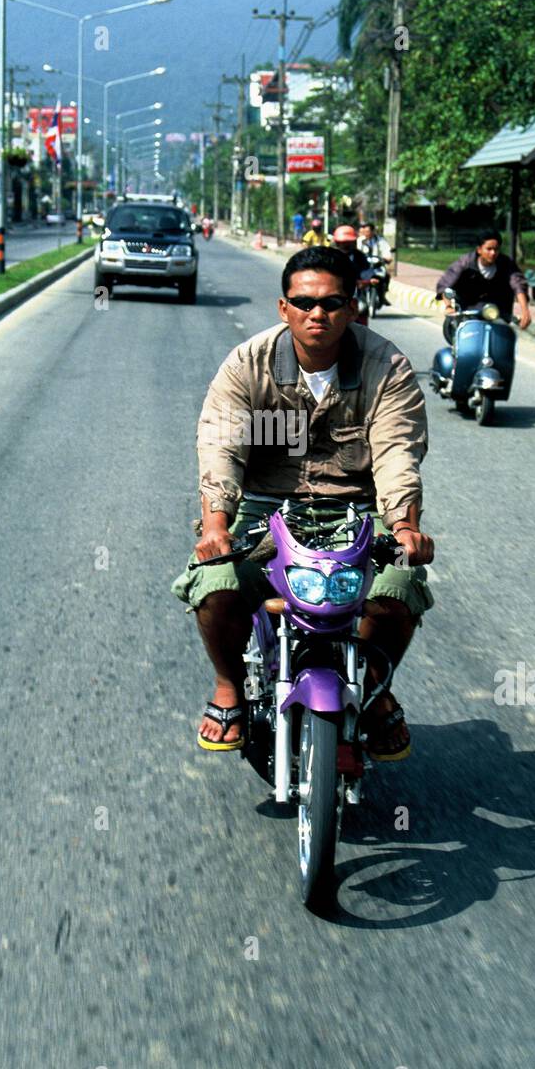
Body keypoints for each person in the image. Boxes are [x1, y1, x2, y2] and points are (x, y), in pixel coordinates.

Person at [171, 245, 435, 760]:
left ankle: (374, 685)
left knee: (400, 589)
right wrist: (215, 525)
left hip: (357, 509)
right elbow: (220, 446)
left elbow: (398, 451)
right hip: (265, 511)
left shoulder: (388, 366)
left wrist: (404, 527)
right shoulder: (248, 364)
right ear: (283, 307)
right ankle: (228, 686)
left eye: (333, 303)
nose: (319, 314)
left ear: (354, 307)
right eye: (305, 302)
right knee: (215, 585)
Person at [436, 229, 532, 338]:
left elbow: (518, 285)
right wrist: (448, 306)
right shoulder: (465, 263)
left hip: (498, 313)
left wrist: (525, 311)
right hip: (469, 314)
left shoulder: (506, 264)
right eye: (489, 249)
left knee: (506, 342)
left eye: (496, 249)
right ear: (479, 249)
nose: (493, 253)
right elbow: (446, 284)